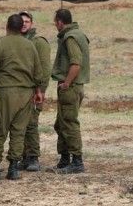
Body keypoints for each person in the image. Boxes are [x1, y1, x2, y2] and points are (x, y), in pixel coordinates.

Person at [0, 14, 43, 181]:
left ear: (7, 27)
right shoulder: (30, 46)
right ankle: (13, 168)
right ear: (21, 27)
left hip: (5, 92)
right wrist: (37, 91)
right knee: (19, 132)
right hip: (26, 94)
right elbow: (38, 74)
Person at [52, 9, 90, 174]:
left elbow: (76, 63)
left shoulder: (70, 37)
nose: (55, 25)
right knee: (61, 123)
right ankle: (65, 159)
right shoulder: (78, 34)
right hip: (75, 86)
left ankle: (77, 161)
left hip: (71, 87)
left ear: (60, 22)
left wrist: (66, 83)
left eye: (55, 22)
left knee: (68, 123)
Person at [18, 11, 51, 172]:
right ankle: (24, 157)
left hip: (33, 90)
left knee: (31, 124)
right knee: (19, 125)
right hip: (18, 91)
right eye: (21, 21)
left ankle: (33, 157)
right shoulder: (15, 41)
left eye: (27, 21)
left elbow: (44, 68)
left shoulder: (38, 42)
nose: (24, 23)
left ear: (32, 23)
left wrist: (42, 90)